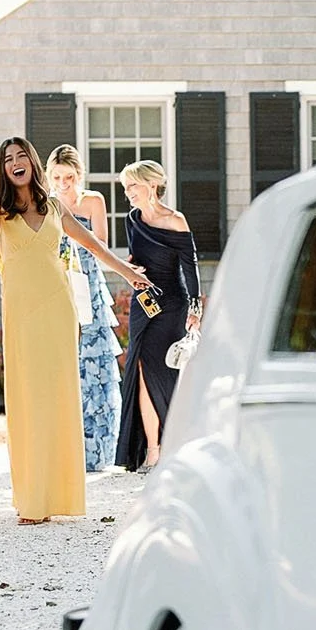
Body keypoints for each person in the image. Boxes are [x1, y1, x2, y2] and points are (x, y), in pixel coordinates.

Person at [0, 136, 146, 523]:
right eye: (8, 159)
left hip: (58, 309)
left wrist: (128, 273)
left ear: (33, 162)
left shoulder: (54, 207)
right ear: (3, 170)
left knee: (58, 395)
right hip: (22, 312)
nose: (16, 162)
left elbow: (94, 246)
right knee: (29, 397)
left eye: (22, 155)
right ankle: (32, 497)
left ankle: (59, 495)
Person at [113, 160, 200, 471]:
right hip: (143, 304)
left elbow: (190, 268)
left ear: (151, 184)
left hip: (171, 307)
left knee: (162, 373)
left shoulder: (176, 221)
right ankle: (152, 448)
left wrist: (196, 309)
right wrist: (130, 270)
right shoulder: (132, 219)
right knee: (138, 370)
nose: (128, 193)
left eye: (132, 186)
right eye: (126, 188)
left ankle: (172, 444)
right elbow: (133, 261)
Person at [45, 145, 123, 471]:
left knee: (94, 361)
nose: (63, 183)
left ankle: (97, 449)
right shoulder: (46, 203)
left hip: (87, 283)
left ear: (79, 175)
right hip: (57, 284)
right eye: (57, 177)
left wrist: (76, 241)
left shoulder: (93, 201)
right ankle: (62, 448)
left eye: (69, 177)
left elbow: (100, 243)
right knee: (62, 361)